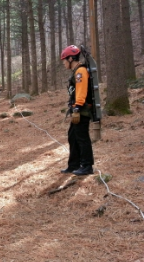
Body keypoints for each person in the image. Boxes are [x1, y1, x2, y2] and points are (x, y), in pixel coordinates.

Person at [60, 45, 94, 176]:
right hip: (78, 109)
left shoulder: (80, 72)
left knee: (82, 137)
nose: (63, 63)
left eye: (64, 60)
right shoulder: (77, 71)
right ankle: (74, 165)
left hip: (82, 110)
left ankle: (87, 166)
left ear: (70, 58)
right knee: (72, 136)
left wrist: (77, 107)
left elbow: (81, 91)